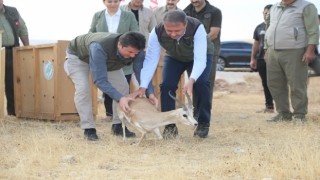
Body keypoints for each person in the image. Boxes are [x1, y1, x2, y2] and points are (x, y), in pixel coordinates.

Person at [64, 31, 157, 141]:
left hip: (108, 60)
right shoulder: (98, 47)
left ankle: (118, 126)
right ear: (119, 45)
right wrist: (120, 98)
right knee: (83, 89)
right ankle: (89, 129)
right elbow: (99, 80)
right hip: (78, 57)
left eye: (135, 54)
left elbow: (141, 72)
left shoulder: (137, 51)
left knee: (122, 86)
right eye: (130, 52)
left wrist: (149, 92)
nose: (132, 56)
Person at [135, 10, 214, 138]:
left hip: (199, 57)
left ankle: (203, 123)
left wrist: (191, 80)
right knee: (166, 86)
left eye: (177, 31)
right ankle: (170, 127)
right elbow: (151, 59)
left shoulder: (197, 27)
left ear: (185, 24)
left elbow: (200, 59)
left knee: (202, 84)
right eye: (169, 30)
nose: (172, 34)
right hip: (174, 57)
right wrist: (143, 85)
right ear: (164, 25)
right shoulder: (157, 31)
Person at [265, 0, 319, 122]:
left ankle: (299, 115)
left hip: (295, 51)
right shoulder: (274, 7)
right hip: (273, 51)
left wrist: (310, 50)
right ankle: (283, 114)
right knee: (274, 83)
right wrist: (266, 48)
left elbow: (313, 30)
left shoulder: (306, 7)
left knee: (297, 84)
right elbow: (268, 28)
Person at [89, 0, 139, 122]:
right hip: (103, 56)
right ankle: (109, 114)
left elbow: (135, 34)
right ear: (104, 2)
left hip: (124, 56)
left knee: (123, 85)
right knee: (106, 85)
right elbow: (91, 33)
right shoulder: (98, 15)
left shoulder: (129, 15)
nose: (112, 4)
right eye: (109, 1)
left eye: (115, 1)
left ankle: (121, 116)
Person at [184, 0, 222, 120]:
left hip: (208, 53)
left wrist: (197, 41)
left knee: (205, 83)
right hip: (191, 53)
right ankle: (196, 111)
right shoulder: (185, 11)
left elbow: (214, 33)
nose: (194, 1)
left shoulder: (215, 12)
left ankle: (204, 114)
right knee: (193, 82)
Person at [0, 0, 29, 116]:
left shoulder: (13, 11)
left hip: (13, 51)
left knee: (12, 82)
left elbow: (22, 29)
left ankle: (12, 113)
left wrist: (27, 48)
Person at [250, 4, 274, 113]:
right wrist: (253, 58)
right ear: (262, 13)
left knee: (276, 83)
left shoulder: (277, 26)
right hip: (260, 60)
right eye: (265, 13)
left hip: (275, 60)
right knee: (265, 83)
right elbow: (256, 43)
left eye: (270, 13)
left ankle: (284, 108)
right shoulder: (259, 27)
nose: (267, 15)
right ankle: (269, 107)